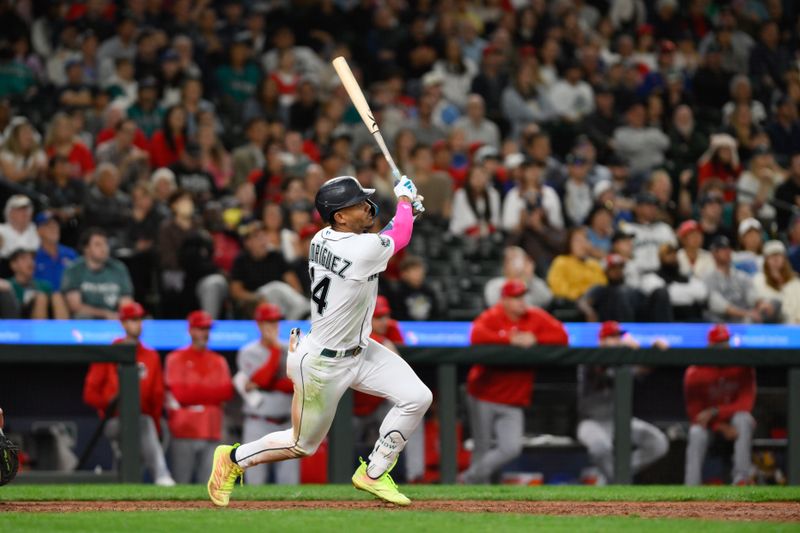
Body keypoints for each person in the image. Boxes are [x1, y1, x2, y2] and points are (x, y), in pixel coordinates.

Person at [208, 174, 430, 507]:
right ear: (340, 216)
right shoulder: (359, 248)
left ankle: (373, 472)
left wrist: (407, 213)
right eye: (357, 204)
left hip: (358, 350)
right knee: (301, 444)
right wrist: (403, 203)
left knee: (417, 396)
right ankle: (233, 458)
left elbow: (381, 242)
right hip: (324, 363)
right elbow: (392, 238)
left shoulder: (322, 238)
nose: (367, 206)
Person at [462, 280, 569, 484]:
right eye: (515, 297)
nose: (521, 301)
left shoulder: (534, 316)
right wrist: (508, 339)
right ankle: (476, 495)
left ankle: (468, 478)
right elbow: (476, 334)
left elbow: (562, 335)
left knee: (511, 448)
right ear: (504, 300)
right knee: (482, 447)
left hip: (514, 398)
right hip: (483, 393)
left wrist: (535, 338)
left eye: (522, 296)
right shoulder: (493, 316)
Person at [82, 301, 175, 486]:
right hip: (113, 421)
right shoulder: (109, 353)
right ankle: (161, 475)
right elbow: (89, 394)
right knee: (143, 424)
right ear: (123, 323)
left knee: (145, 429)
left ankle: (124, 486)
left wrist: (156, 426)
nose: (137, 324)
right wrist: (110, 402)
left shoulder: (151, 355)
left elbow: (157, 396)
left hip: (143, 420)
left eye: (140, 319)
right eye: (133, 320)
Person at [576, 321, 669, 484]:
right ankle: (616, 479)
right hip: (591, 422)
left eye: (618, 337)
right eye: (611, 337)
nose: (617, 341)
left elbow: (642, 369)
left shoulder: (623, 360)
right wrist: (632, 351)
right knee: (600, 448)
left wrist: (654, 352)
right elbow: (604, 374)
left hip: (618, 420)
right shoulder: (590, 358)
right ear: (601, 341)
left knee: (658, 443)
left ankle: (612, 476)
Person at [233, 303, 298, 485]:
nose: (273, 326)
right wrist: (275, 351)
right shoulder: (248, 351)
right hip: (257, 422)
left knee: (289, 484)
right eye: (268, 322)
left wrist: (268, 384)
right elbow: (263, 379)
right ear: (259, 325)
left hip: (287, 423)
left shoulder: (292, 348)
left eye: (276, 322)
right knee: (254, 482)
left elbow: (295, 384)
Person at [165, 310, 233, 484]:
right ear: (191, 330)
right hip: (184, 430)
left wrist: (196, 394)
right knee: (181, 485)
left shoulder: (219, 360)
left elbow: (225, 392)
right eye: (200, 328)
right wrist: (209, 394)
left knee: (210, 486)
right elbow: (181, 395)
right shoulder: (175, 358)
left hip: (212, 429)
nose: (204, 333)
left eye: (207, 329)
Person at [684, 324, 756, 485]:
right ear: (710, 345)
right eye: (718, 344)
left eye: (725, 342)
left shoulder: (742, 367)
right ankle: (690, 487)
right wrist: (720, 426)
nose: (723, 347)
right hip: (709, 428)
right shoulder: (695, 371)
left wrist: (716, 411)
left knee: (743, 418)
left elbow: (746, 404)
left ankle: (741, 480)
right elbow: (695, 414)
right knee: (696, 432)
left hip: (734, 424)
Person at [229, 220, 307, 320]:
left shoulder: (276, 256)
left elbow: (294, 286)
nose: (263, 240)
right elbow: (235, 291)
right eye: (257, 237)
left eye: (264, 236)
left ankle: (302, 315)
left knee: (279, 290)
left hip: (280, 302)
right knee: (276, 287)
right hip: (255, 302)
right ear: (247, 242)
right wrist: (256, 297)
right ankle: (307, 309)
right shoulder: (241, 260)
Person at [61, 228, 134, 319]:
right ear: (86, 249)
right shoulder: (74, 270)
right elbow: (75, 307)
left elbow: (126, 303)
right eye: (97, 244)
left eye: (105, 243)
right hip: (84, 322)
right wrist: (105, 314)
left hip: (114, 321)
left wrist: (120, 316)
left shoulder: (119, 268)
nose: (104, 248)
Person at [484, 246, 552, 309]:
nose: (516, 264)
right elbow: (493, 303)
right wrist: (513, 280)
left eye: (518, 259)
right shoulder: (494, 284)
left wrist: (529, 278)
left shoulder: (533, 282)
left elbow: (546, 299)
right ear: (505, 264)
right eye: (511, 260)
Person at [6, 248, 67, 319]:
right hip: (16, 320)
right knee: (41, 298)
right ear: (13, 265)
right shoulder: (7, 286)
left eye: (31, 259)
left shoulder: (44, 285)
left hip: (44, 318)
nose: (30, 262)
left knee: (57, 296)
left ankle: (63, 328)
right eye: (24, 259)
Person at [33, 211, 77, 292]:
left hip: (70, 299)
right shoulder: (33, 257)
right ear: (38, 231)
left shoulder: (70, 253)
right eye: (49, 226)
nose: (54, 228)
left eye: (56, 225)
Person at [0, 195, 40, 259]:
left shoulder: (38, 230)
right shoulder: (1, 230)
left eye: (27, 209)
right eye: (19, 210)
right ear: (10, 213)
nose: (25, 213)